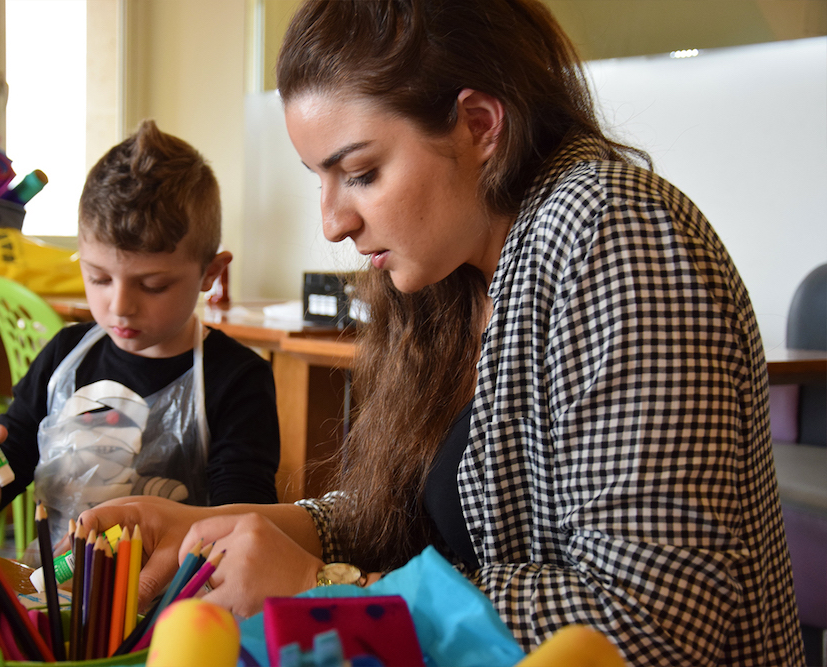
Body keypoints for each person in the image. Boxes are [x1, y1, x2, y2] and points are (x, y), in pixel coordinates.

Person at [79, 2, 804, 664]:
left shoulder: (612, 236)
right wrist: (218, 527)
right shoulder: (451, 277)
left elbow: (651, 623)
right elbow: (400, 521)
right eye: (320, 179)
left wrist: (324, 587)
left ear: (480, 126)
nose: (333, 220)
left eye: (360, 173)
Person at [0, 120, 281, 546]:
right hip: (57, 599)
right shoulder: (63, 357)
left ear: (210, 272)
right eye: (98, 278)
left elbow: (240, 531)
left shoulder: (237, 379)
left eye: (153, 285)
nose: (119, 306)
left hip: (177, 606)